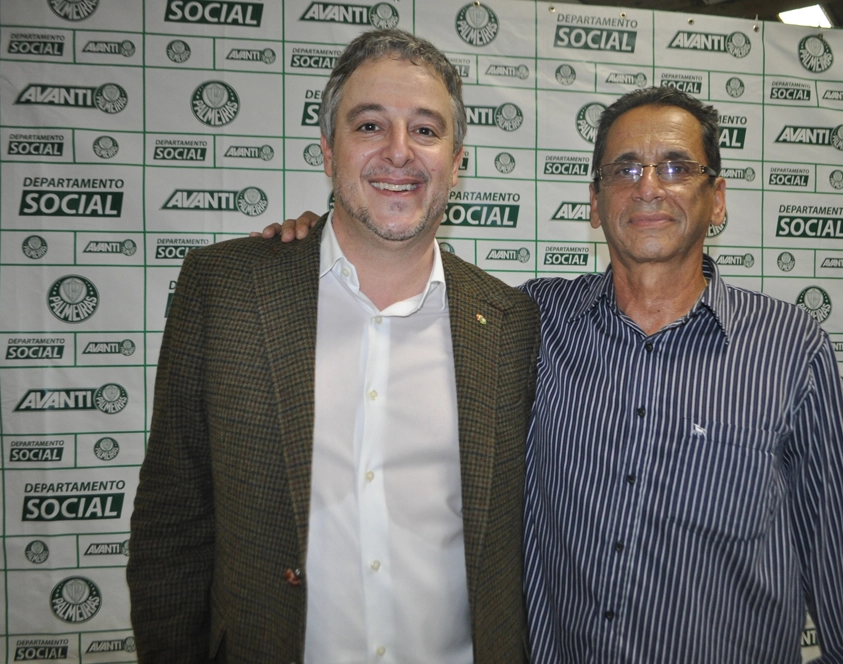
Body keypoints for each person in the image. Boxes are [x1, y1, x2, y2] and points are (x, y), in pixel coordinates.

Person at [268, 87, 843, 662]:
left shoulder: (788, 346)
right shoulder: (527, 322)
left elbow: (837, 572)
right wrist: (319, 244)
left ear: (718, 197)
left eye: (676, 167)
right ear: (595, 204)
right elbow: (398, 291)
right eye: (624, 169)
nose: (649, 187)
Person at [127, 29, 540, 664]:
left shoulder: (512, 324)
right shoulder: (226, 289)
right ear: (327, 151)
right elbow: (172, 521)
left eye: (426, 131)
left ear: (457, 163)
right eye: (370, 125)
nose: (399, 153)